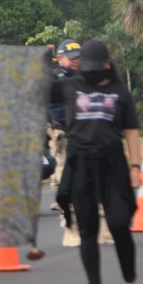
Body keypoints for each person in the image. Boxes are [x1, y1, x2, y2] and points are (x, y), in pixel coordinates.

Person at [50, 40, 143, 284]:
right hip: (79, 164)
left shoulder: (120, 91)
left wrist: (136, 166)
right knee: (88, 229)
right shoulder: (68, 86)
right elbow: (36, 94)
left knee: (118, 225)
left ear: (107, 64)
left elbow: (131, 131)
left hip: (112, 164)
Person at [48, 39, 80, 210]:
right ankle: (63, 198)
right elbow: (53, 107)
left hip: (79, 129)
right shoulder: (54, 76)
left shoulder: (82, 76)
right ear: (60, 58)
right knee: (65, 162)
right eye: (71, 57)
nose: (76, 60)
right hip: (60, 127)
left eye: (78, 57)